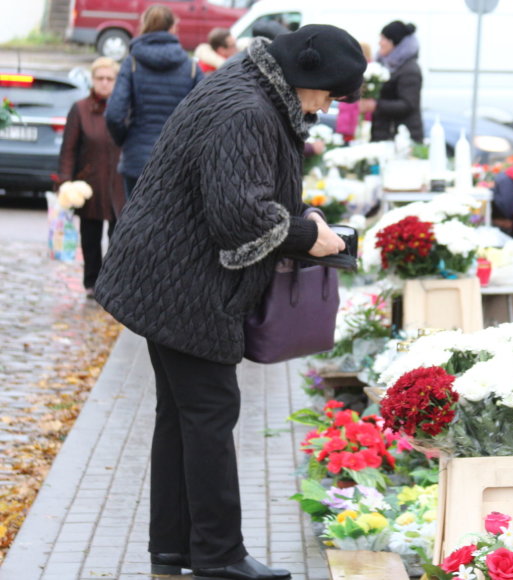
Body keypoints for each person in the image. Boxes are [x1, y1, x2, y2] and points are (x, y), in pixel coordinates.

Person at [94, 24, 366, 580]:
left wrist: (303, 217)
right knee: (211, 413)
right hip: (184, 283)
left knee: (183, 416)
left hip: (165, 272)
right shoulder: (247, 107)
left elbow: (245, 188)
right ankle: (219, 556)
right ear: (307, 77)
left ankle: (173, 551)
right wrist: (305, 235)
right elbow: (238, 217)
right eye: (332, 94)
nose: (330, 107)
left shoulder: (250, 85)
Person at [106, 4, 203, 198]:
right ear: (172, 28)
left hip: (137, 159)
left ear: (144, 26)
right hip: (177, 159)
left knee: (135, 223)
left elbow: (114, 114)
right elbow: (205, 112)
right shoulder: (190, 66)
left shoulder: (132, 62)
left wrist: (126, 140)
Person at [57, 57, 126, 298]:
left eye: (110, 79)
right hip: (89, 182)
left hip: (118, 182)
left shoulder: (125, 108)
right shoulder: (80, 109)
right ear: (92, 80)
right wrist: (65, 182)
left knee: (118, 235)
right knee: (90, 236)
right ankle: (92, 282)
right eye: (100, 78)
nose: (104, 83)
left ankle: (113, 283)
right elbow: (69, 148)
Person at [358, 20, 423, 142]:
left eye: (383, 38)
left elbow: (408, 104)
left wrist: (376, 105)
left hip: (401, 138)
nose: (379, 42)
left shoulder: (410, 69)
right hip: (383, 132)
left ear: (394, 42)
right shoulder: (383, 64)